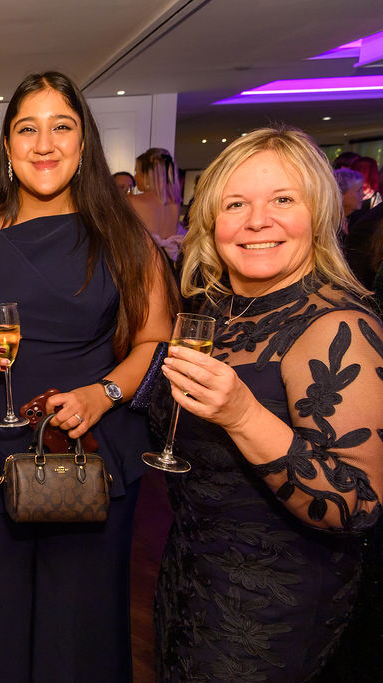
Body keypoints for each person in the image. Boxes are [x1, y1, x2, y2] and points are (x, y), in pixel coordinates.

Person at [0, 71, 177, 682]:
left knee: (79, 634)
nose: (44, 144)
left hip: (86, 454)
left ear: (83, 141)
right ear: (8, 145)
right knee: (1, 628)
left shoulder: (123, 235)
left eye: (61, 126)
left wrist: (104, 393)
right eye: (27, 129)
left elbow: (154, 340)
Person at [154, 125, 383, 680]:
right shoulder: (215, 310)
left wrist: (243, 415)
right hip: (189, 579)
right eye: (236, 203)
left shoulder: (337, 327)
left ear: (318, 214)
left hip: (269, 609)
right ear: (212, 220)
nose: (258, 221)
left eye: (283, 199)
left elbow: (359, 504)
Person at [130, 147, 186, 260]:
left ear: (148, 174)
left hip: (144, 262)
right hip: (168, 262)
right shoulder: (174, 204)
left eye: (137, 172)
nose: (135, 177)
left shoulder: (133, 201)